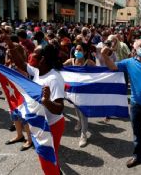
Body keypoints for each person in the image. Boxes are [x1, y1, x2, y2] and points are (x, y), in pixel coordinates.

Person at [101, 39, 141, 168]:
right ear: (134, 49)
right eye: (140, 45)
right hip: (136, 106)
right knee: (137, 133)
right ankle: (138, 156)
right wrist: (104, 55)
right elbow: (112, 66)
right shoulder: (129, 62)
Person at [6, 35, 65, 175]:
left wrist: (46, 101)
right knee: (50, 157)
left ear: (43, 59)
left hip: (52, 125)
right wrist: (10, 46)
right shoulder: (39, 71)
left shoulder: (54, 79)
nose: (31, 55)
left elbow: (59, 108)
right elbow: (21, 64)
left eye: (35, 54)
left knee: (46, 160)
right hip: (41, 122)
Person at [64, 44, 95, 147]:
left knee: (83, 113)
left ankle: (83, 134)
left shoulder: (89, 63)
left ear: (85, 52)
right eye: (76, 49)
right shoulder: (70, 61)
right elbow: (60, 69)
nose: (77, 51)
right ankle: (79, 122)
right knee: (76, 109)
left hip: (85, 93)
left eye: (80, 49)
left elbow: (99, 73)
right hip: (74, 91)